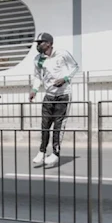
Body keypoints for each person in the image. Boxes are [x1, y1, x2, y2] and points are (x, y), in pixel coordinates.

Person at [29, 32, 79, 167]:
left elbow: (75, 67)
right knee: (45, 125)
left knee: (58, 126)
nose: (38, 45)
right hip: (49, 95)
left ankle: (55, 153)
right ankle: (42, 151)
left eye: (41, 43)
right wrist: (34, 90)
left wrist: (65, 79)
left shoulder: (62, 54)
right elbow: (37, 76)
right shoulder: (37, 59)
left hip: (63, 94)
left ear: (49, 43)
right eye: (37, 43)